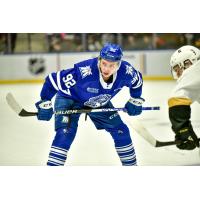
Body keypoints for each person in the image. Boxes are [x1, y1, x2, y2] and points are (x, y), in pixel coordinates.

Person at [35, 43, 144, 166]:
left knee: (121, 131)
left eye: (111, 65)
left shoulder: (127, 72)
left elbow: (138, 81)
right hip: (69, 98)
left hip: (97, 101)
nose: (106, 69)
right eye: (104, 63)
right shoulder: (84, 71)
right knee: (65, 134)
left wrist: (135, 99)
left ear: (118, 64)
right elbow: (52, 80)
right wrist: (45, 101)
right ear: (99, 60)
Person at [168, 45, 200, 150]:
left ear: (188, 63)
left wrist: (183, 130)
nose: (177, 73)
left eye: (178, 68)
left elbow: (177, 98)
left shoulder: (197, 68)